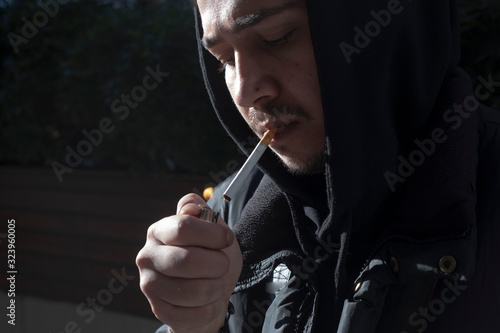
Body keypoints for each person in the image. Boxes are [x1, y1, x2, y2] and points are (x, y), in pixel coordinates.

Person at [136, 0, 500, 332]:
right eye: (225, 60)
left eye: (277, 38)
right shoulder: (231, 217)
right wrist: (197, 323)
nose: (245, 92)